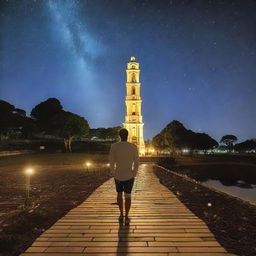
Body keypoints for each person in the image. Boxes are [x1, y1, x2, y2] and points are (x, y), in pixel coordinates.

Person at [109, 128, 139, 223]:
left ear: (119, 136)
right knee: (128, 196)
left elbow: (111, 161)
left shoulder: (114, 146)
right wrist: (134, 173)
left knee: (119, 194)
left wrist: (113, 172)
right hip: (129, 175)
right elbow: (137, 162)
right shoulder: (133, 146)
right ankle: (127, 215)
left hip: (118, 174)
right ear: (128, 135)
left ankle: (121, 214)